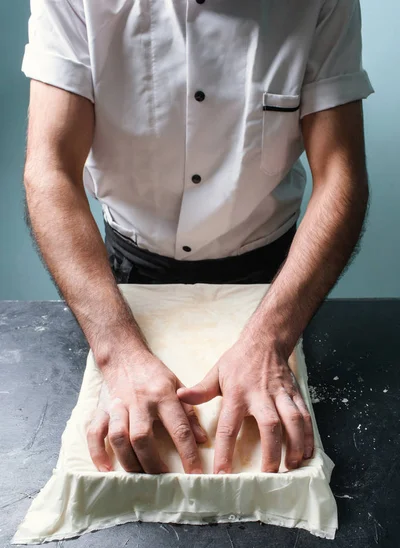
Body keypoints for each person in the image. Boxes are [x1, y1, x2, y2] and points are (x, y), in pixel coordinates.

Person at [22, 0, 373, 476]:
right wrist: (118, 352)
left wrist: (270, 340)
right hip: (126, 273)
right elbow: (50, 171)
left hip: (272, 281)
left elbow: (340, 176)